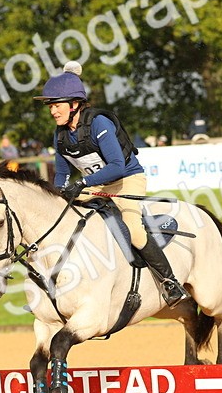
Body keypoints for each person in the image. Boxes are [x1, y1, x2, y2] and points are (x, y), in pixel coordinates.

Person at [34, 61, 187, 305]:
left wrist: (82, 182)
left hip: (127, 180)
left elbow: (116, 166)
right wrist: (58, 195)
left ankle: (170, 282)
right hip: (96, 186)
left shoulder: (99, 124)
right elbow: (61, 174)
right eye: (51, 106)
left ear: (74, 105)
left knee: (135, 232)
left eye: (57, 105)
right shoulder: (60, 133)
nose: (53, 111)